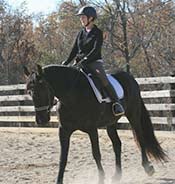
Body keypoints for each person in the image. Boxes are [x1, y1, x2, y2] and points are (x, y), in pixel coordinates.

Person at [62, 5, 124, 116]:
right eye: (80, 17)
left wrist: (85, 60)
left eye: (83, 17)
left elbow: (95, 50)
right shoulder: (81, 33)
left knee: (103, 78)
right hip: (80, 62)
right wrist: (66, 62)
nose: (81, 19)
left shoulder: (97, 33)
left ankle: (117, 103)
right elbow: (74, 49)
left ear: (91, 18)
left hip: (94, 62)